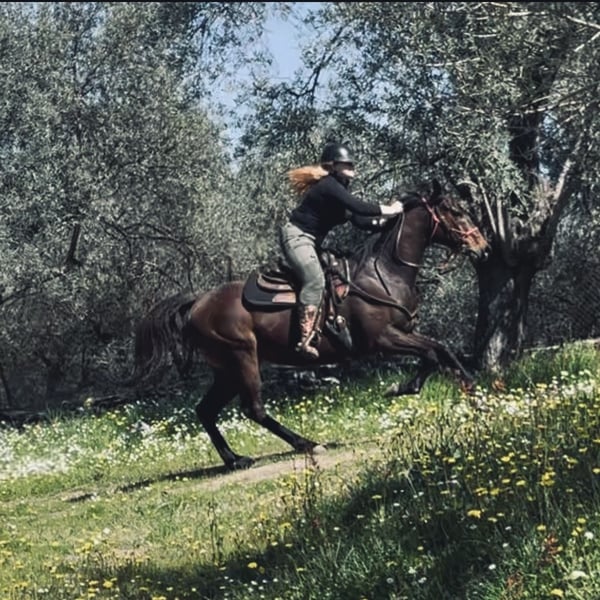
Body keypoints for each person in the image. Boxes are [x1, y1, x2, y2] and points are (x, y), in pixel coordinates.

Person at [279, 142, 404, 359]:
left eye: (351, 163)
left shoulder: (339, 190)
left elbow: (360, 219)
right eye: (346, 163)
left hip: (310, 242)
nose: (351, 166)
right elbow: (358, 207)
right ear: (333, 166)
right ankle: (305, 339)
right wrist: (390, 209)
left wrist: (386, 224)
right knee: (315, 280)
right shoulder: (328, 185)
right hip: (297, 237)